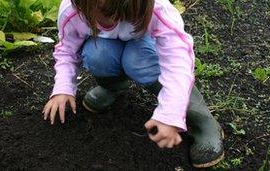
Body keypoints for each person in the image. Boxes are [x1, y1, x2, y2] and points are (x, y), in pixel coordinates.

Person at [42, 0, 224, 168]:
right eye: (108, 15)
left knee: (138, 60)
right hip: (106, 45)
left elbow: (177, 62)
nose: (116, 21)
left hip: (145, 45)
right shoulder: (73, 11)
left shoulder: (157, 9)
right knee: (97, 54)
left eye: (125, 16)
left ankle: (201, 121)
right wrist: (63, 87)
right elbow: (67, 49)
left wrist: (170, 114)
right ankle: (113, 87)